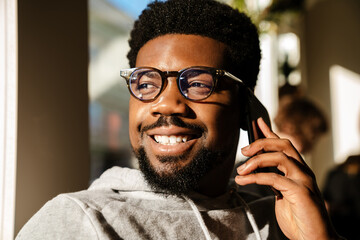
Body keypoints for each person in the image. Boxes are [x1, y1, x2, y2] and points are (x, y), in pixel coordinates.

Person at [17, 0, 341, 239]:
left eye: (198, 83)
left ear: (246, 107)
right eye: (145, 83)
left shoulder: (286, 217)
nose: (166, 104)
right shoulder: (84, 222)